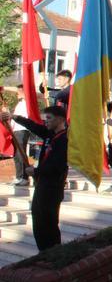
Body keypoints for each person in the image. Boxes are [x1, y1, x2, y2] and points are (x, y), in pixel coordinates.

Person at [1, 105, 69, 251]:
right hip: (42, 184)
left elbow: (57, 165)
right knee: (38, 219)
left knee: (48, 222)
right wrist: (14, 117)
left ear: (60, 119)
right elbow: (34, 126)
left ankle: (53, 252)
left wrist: (36, 171)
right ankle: (43, 252)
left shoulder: (65, 139)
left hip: (53, 186)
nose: (46, 122)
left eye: (49, 118)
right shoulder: (49, 134)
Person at [11, 85, 31, 186]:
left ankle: (25, 177)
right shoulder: (20, 103)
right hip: (15, 130)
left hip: (22, 130)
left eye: (19, 91)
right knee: (15, 154)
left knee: (21, 153)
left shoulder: (28, 102)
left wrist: (4, 88)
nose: (17, 93)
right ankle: (19, 176)